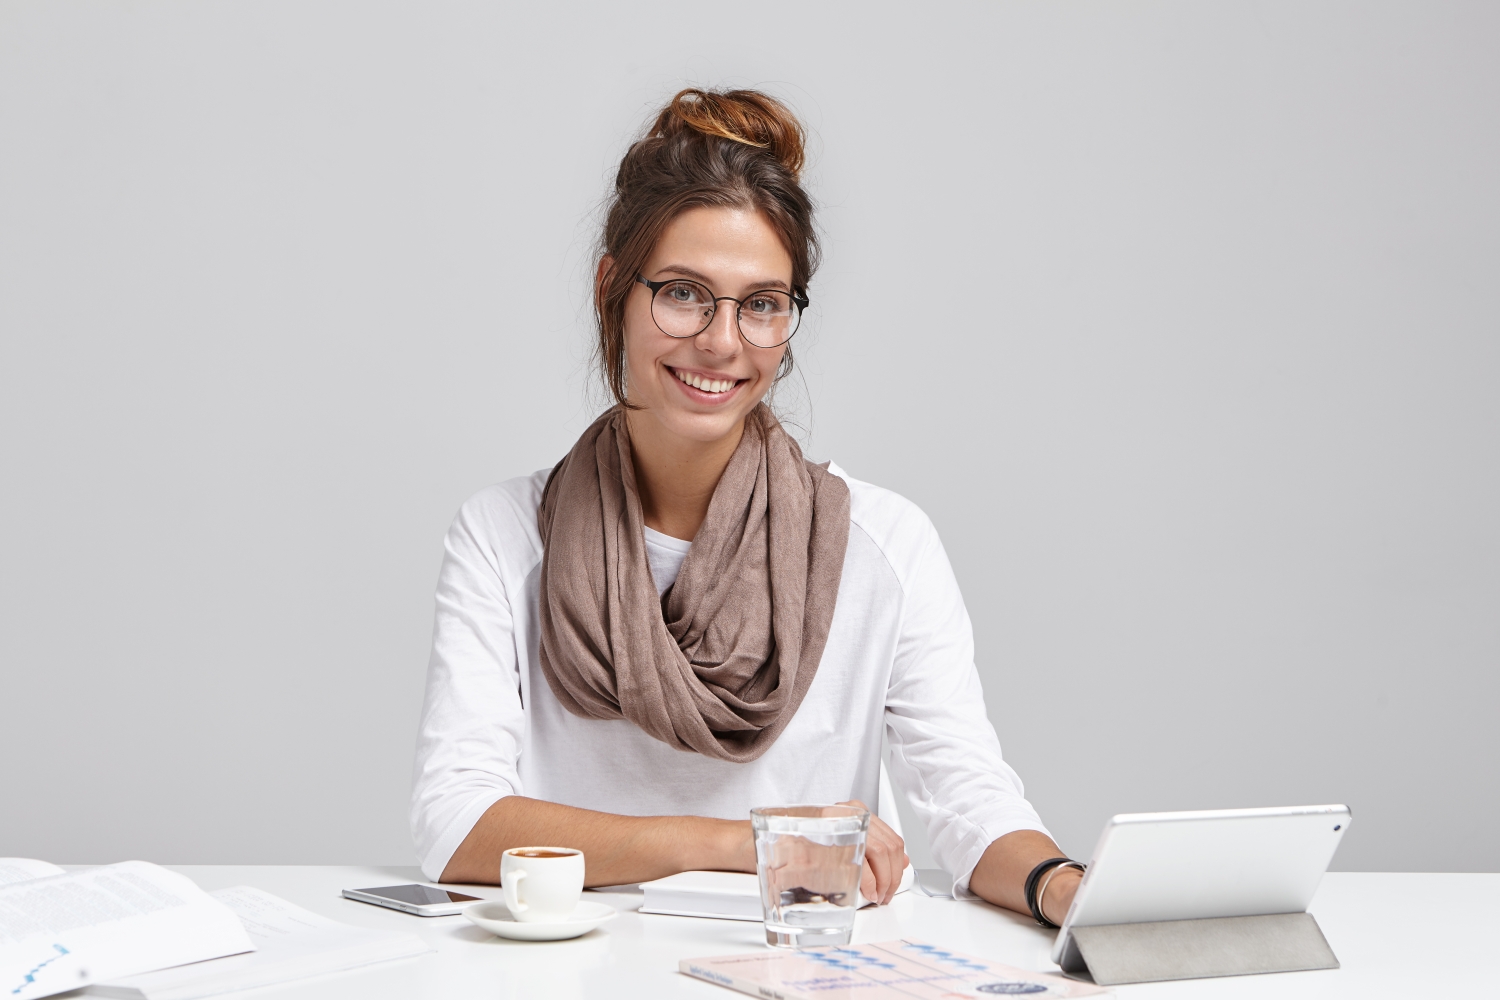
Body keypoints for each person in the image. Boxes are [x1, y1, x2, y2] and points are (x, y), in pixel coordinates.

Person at [410, 88, 1084, 925]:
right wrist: (746, 840)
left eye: (762, 304)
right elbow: (456, 825)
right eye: (685, 293)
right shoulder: (506, 536)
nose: (723, 342)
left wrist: (1065, 886)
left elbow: (970, 803)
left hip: (800, 971)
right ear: (612, 290)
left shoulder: (885, 543)